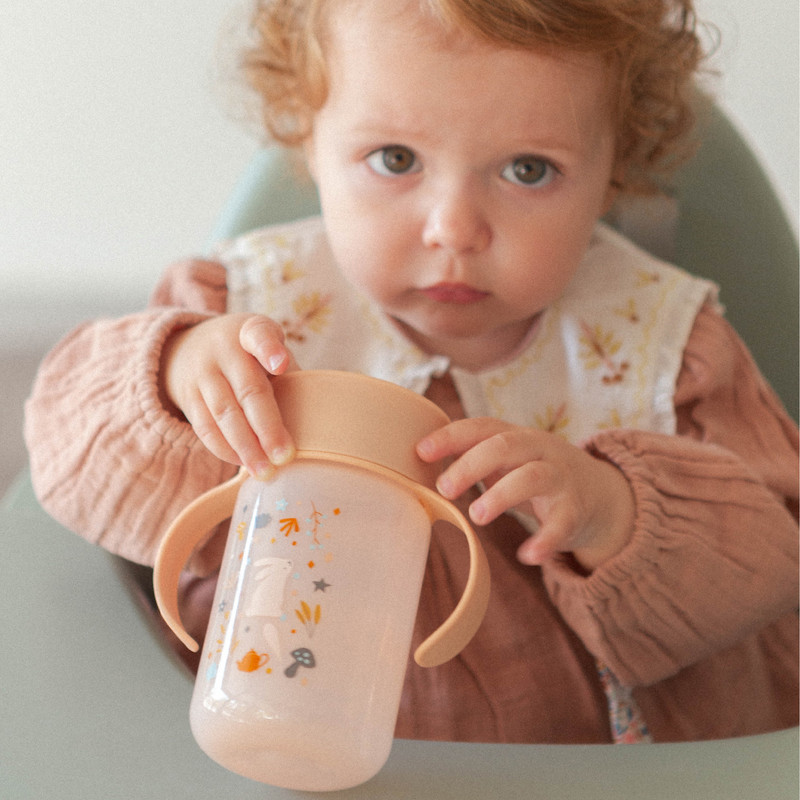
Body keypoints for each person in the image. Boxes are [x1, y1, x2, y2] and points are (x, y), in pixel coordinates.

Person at [25, 0, 798, 745]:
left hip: (589, 763)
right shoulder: (246, 308)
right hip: (271, 731)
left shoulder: (662, 343)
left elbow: (770, 562)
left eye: (528, 169)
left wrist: (610, 512)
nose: (453, 229)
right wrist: (176, 378)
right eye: (395, 160)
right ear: (308, 135)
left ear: (614, 169)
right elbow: (71, 467)